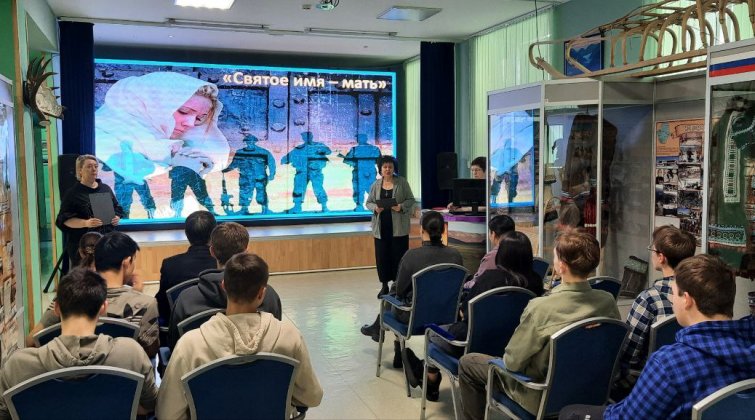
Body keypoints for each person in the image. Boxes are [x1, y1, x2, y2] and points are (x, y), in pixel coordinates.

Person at [560, 254, 755, 420]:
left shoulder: (670, 364)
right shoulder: (749, 344)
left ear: (687, 300)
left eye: (673, 294)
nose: (672, 300)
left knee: (569, 413)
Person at [458, 231, 620, 420]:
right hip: (590, 392)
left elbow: (512, 362)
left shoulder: (541, 308)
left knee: (468, 363)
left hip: (539, 396)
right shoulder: (607, 301)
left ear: (561, 266)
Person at [157, 253, 323, 420]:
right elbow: (312, 397)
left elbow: (167, 414)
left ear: (224, 286)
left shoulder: (189, 346)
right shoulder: (290, 338)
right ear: (262, 294)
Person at [404, 230, 544, 401]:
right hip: (514, 345)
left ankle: (430, 380)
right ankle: (426, 372)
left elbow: (465, 313)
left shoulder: (490, 278)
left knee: (432, 333)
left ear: (502, 255)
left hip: (474, 345)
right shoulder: (536, 282)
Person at [0, 268, 158, 419]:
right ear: (103, 308)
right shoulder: (131, 354)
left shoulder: (18, 366)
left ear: (56, 308)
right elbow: (150, 405)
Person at [94, 72, 229, 218]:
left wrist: (197, 169)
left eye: (199, 118)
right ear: (154, 104)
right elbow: (101, 209)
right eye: (183, 111)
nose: (190, 124)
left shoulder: (177, 146)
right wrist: (176, 166)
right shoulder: (100, 135)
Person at [26, 232, 160, 358]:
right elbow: (149, 352)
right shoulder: (145, 304)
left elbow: (32, 341)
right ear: (127, 261)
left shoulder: (67, 296)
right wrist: (136, 295)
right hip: (122, 373)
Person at [361, 211, 463, 369]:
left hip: (413, 319)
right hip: (448, 316)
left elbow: (400, 291)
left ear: (422, 230)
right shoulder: (455, 256)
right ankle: (388, 340)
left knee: (394, 296)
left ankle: (394, 344)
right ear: (443, 230)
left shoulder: (412, 256)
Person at [168, 222, 282, 350]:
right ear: (246, 251)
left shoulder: (186, 299)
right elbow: (274, 339)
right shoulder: (268, 295)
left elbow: (174, 346)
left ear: (212, 251)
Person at [613, 225, 696, 397]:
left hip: (648, 384)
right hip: (690, 379)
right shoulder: (701, 296)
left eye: (652, 249)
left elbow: (628, 356)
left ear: (661, 257)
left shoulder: (648, 299)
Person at [56, 154, 123, 268]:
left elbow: (117, 208)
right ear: (80, 170)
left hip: (107, 242)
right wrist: (85, 223)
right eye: (89, 166)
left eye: (96, 166)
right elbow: (63, 220)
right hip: (84, 246)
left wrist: (117, 217)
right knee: (86, 276)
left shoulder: (105, 188)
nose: (94, 169)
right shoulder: (73, 193)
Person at [365, 155, 416, 298]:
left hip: (398, 228)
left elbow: (411, 199)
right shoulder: (375, 185)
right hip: (381, 228)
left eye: (390, 167)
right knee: (382, 257)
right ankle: (384, 286)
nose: (387, 169)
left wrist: (401, 206)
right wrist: (375, 208)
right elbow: (368, 203)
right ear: (380, 169)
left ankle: (398, 285)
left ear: (394, 168)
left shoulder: (402, 182)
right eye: (385, 167)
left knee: (398, 257)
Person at [156, 210, 218, 322]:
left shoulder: (170, 265)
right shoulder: (225, 264)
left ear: (186, 234)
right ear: (214, 234)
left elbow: (162, 305)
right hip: (219, 326)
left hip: (181, 326)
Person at [222, 134, 276, 215]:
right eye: (247, 141)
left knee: (261, 193)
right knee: (244, 193)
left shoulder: (263, 152)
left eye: (251, 141)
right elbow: (234, 164)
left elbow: (271, 163)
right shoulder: (240, 152)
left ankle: (265, 209)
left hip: (259, 178)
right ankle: (244, 210)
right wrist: (226, 170)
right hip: (245, 178)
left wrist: (272, 174)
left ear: (254, 142)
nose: (249, 142)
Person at [281, 131, 332, 213]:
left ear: (311, 136)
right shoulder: (299, 148)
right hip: (302, 172)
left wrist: (320, 151)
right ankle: (297, 207)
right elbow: (285, 159)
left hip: (315, 172)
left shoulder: (318, 145)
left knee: (318, 188)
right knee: (298, 189)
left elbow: (328, 151)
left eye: (308, 136)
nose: (306, 138)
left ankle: (324, 207)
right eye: (304, 137)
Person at [464, 214, 515, 289]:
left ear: (493, 234)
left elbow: (478, 282)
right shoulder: (522, 252)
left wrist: (464, 285)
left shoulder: (492, 257)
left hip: (490, 295)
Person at [340, 133, 381, 211]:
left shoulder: (356, 149)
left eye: (359, 138)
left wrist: (355, 163)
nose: (358, 140)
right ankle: (368, 206)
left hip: (362, 172)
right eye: (358, 138)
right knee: (368, 189)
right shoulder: (374, 149)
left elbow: (346, 160)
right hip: (368, 172)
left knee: (361, 189)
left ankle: (362, 206)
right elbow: (379, 161)